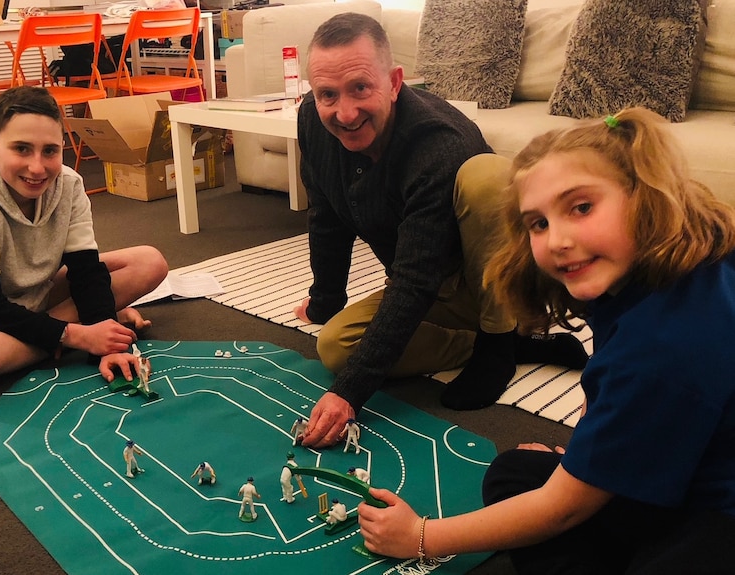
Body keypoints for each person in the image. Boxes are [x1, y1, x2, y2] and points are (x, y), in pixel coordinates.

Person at [357, 107, 735, 573]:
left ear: (643, 196)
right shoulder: (675, 270)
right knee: (517, 471)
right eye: (538, 223)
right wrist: (591, 450)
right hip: (689, 462)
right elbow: (618, 385)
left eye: (581, 207)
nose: (556, 240)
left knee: (551, 503)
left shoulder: (662, 343)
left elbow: (565, 507)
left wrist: (420, 536)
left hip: (715, 517)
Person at [294, 13, 587, 448]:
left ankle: (501, 340)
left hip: (499, 286)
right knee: (336, 347)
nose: (345, 112)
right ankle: (519, 347)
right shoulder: (313, 123)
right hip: (435, 287)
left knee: (487, 176)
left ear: (394, 82)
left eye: (360, 88)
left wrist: (348, 395)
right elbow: (327, 215)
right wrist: (326, 302)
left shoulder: (437, 142)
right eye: (328, 95)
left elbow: (414, 279)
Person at [0, 86, 167, 383]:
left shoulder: (70, 185)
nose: (37, 168)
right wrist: (77, 335)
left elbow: (86, 269)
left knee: (150, 262)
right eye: (21, 149)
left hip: (40, 287)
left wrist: (104, 332)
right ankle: (70, 333)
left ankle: (67, 332)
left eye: (50, 150)